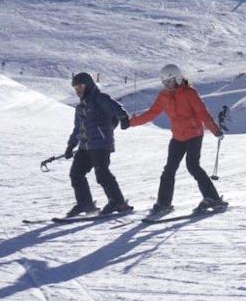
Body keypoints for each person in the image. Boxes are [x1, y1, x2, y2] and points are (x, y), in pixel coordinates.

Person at [127, 64, 226, 217]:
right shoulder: (164, 96)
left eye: (169, 81)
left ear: (178, 78)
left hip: (194, 134)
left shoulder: (190, 93)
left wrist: (215, 130)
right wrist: (132, 122)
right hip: (178, 136)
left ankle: (213, 198)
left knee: (193, 166)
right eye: (164, 83)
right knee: (169, 169)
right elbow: (152, 113)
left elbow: (202, 113)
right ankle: (164, 203)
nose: (167, 85)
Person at [63, 72, 132, 218]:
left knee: (102, 174)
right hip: (85, 147)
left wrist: (124, 118)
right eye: (76, 88)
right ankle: (85, 203)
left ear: (88, 84)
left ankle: (118, 202)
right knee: (76, 173)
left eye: (80, 86)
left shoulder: (99, 98)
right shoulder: (80, 107)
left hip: (101, 144)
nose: (78, 90)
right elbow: (77, 129)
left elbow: (116, 107)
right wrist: (70, 146)